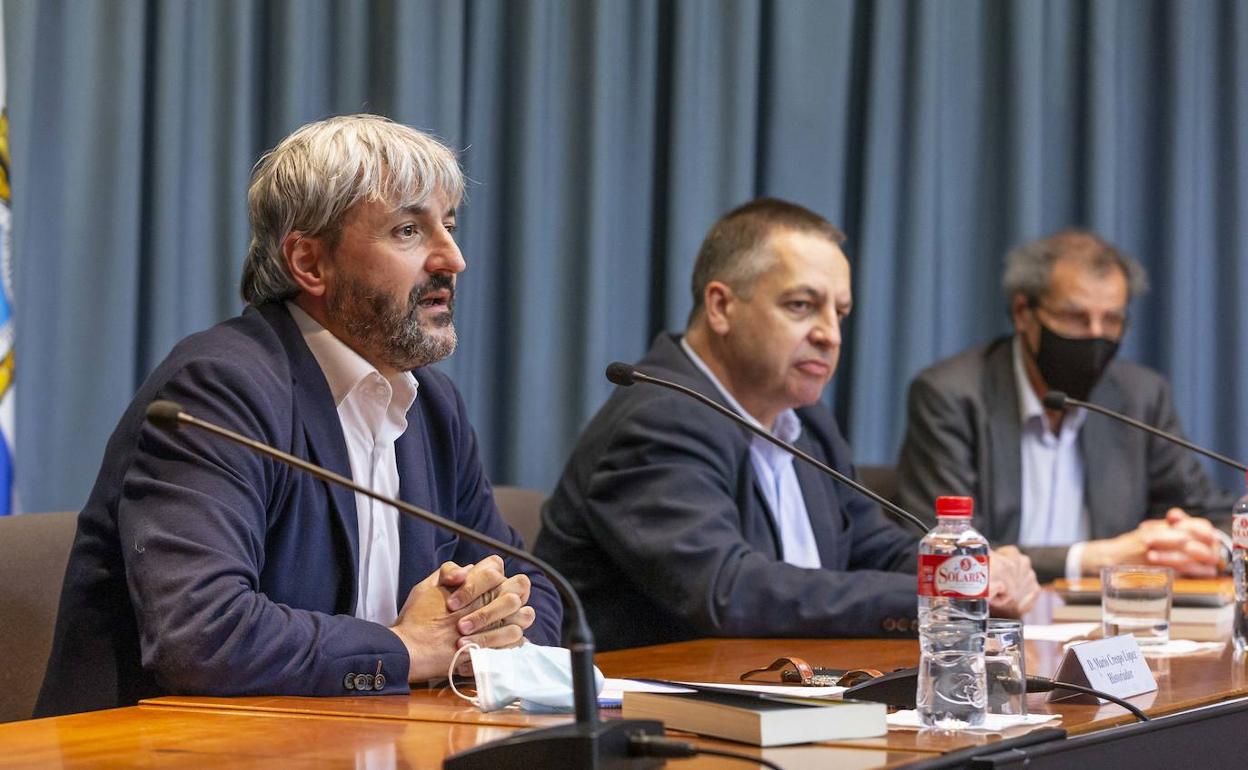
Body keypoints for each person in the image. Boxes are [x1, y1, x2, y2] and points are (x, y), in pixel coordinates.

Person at [35, 115, 560, 717]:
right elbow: (202, 635)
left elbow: (539, 589)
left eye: (451, 226)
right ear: (310, 263)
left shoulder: (432, 407)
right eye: (410, 230)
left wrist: (485, 625)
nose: (452, 258)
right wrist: (404, 649)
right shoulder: (223, 389)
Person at [534, 198, 1039, 651]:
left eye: (840, 313)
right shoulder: (660, 419)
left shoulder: (806, 422)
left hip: (784, 694)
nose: (830, 335)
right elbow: (728, 589)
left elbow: (872, 545)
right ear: (721, 306)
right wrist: (939, 591)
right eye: (802, 306)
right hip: (655, 725)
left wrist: (969, 568)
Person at [896, 230, 1234, 582]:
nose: (1095, 335)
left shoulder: (1140, 397)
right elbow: (944, 549)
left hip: (1111, 622)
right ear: (1023, 312)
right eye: (1075, 317)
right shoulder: (952, 395)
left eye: (1112, 321)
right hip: (997, 619)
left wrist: (1212, 548)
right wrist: (1090, 558)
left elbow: (1213, 511)